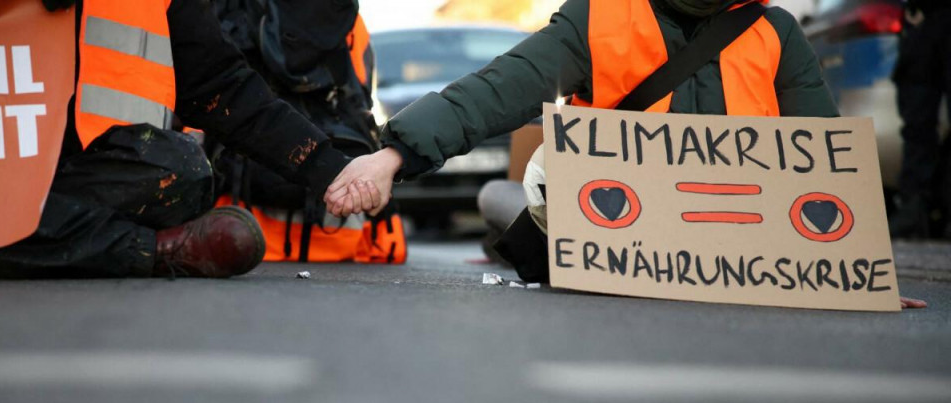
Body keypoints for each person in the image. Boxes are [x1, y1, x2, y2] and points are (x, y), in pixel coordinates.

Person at [325, 0, 925, 308]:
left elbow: (819, 153)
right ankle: (506, 217)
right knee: (511, 198)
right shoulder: (604, 16)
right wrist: (394, 154)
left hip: (702, 253)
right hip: (624, 242)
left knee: (507, 200)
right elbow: (501, 89)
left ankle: (505, 217)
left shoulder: (776, 31)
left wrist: (854, 277)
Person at [0, 0, 381, 279]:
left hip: (66, 173)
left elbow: (219, 87)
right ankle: (149, 252)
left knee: (184, 173)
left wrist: (329, 168)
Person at [889, 0, 951, 239]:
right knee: (916, 122)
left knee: (917, 124)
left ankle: (920, 208)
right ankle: (914, 209)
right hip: (922, 15)